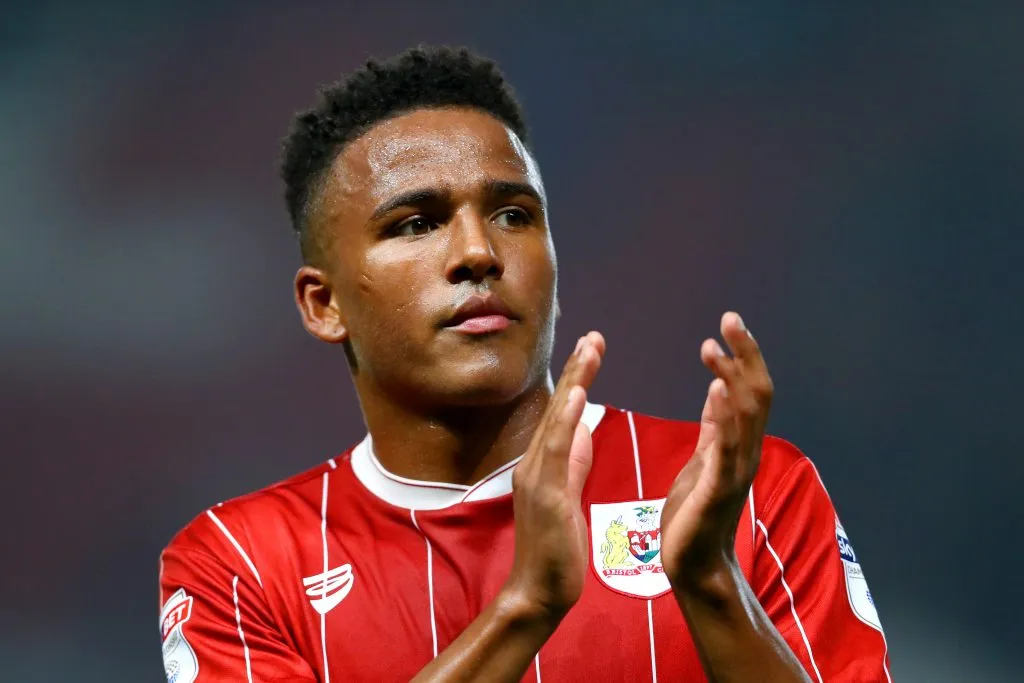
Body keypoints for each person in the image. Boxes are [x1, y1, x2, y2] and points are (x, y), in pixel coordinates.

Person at [158, 46, 892, 682]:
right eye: (417, 223)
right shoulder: (240, 562)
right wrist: (525, 607)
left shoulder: (749, 490)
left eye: (514, 214)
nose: (479, 253)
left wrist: (710, 580)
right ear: (324, 304)